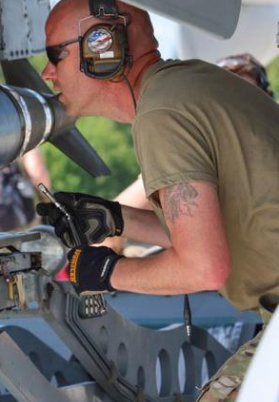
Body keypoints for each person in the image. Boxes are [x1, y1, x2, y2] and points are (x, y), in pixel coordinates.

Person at [36, 0, 279, 402]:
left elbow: (204, 265)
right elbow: (212, 231)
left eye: (54, 56)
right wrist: (117, 218)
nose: (47, 73)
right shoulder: (185, 87)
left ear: (100, 48)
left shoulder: (162, 113)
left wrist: (104, 272)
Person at [104, 53, 275, 253]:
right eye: (223, 104)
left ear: (267, 101)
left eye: (244, 101)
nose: (234, 115)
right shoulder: (190, 159)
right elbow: (109, 230)